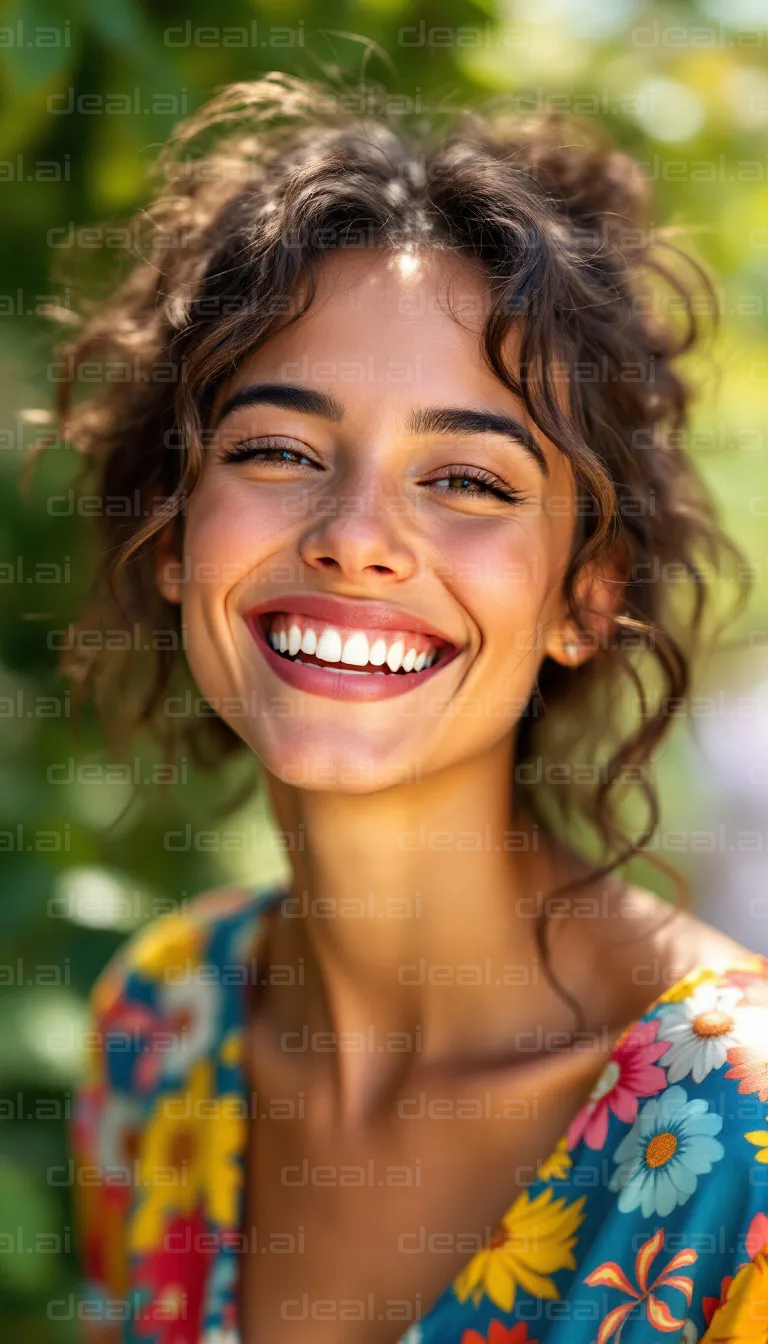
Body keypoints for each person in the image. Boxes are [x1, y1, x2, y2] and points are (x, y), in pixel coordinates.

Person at [60, 73, 768, 1344]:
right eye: (277, 451)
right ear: (172, 532)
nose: (357, 541)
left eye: (466, 478)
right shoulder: (160, 1026)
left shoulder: (750, 1136)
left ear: (585, 595)